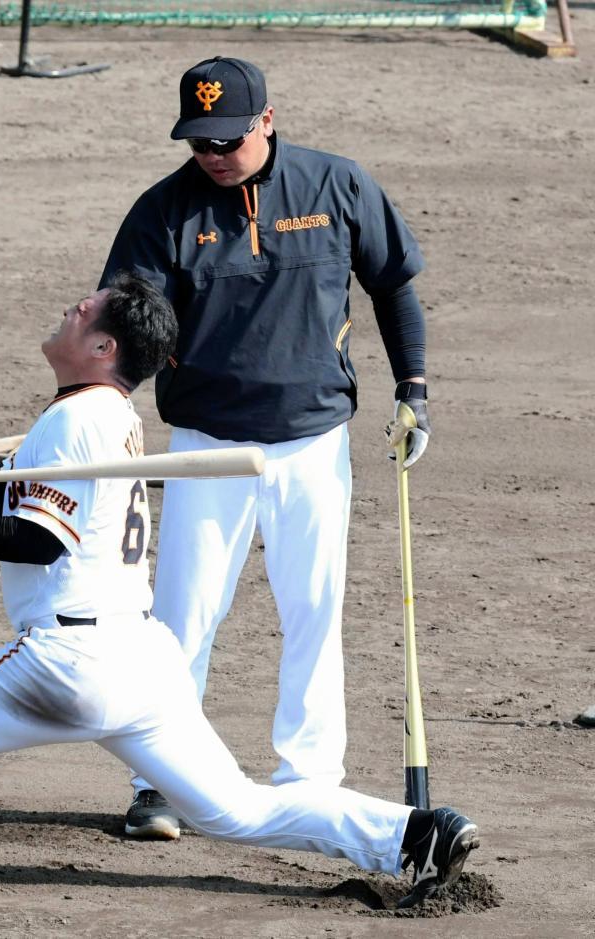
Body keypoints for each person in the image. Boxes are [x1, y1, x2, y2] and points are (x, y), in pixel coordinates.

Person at [0, 273, 475, 908]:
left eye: (84, 310)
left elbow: (42, 539)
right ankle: (413, 834)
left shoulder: (76, 423)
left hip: (69, 662)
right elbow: (46, 511)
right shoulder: (106, 415)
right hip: (142, 661)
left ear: (103, 345)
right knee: (237, 809)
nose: (70, 306)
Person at [100, 57, 432, 840]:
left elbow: (393, 284)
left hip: (313, 441)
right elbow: (127, 323)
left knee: (315, 609)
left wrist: (413, 388)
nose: (214, 154)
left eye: (229, 138)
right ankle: (160, 779)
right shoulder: (161, 210)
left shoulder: (338, 185)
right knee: (181, 617)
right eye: (200, 141)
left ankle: (311, 777)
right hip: (207, 445)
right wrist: (101, 410)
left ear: (268, 121)